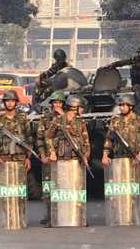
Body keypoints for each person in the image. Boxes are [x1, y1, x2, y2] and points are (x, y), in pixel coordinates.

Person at [0, 91, 32, 229]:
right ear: (4, 103)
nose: (10, 103)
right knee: (3, 193)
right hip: (3, 161)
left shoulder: (23, 119)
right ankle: (2, 218)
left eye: (12, 101)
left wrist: (28, 157)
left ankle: (20, 219)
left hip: (19, 160)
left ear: (16, 102)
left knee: (19, 193)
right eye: (7, 101)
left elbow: (29, 139)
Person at [102, 94, 140, 224]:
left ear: (131, 106)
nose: (122, 108)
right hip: (119, 158)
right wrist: (105, 154)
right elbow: (109, 139)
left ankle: (138, 213)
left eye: (125, 105)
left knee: (137, 188)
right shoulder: (115, 121)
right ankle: (120, 213)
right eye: (121, 105)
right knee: (121, 187)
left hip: (135, 157)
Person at [46, 96, 91, 227]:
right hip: (61, 158)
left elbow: (86, 141)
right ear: (74, 107)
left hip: (76, 158)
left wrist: (86, 156)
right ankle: (57, 217)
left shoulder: (80, 122)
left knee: (77, 188)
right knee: (61, 189)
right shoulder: (59, 120)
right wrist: (52, 152)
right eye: (78, 108)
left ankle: (79, 216)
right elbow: (48, 137)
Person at [36, 90, 65, 226]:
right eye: (55, 102)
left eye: (60, 102)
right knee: (48, 187)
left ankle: (65, 213)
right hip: (48, 157)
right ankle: (49, 215)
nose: (57, 105)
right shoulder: (45, 119)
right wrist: (42, 154)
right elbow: (40, 138)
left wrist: (63, 117)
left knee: (65, 186)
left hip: (64, 157)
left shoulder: (68, 117)